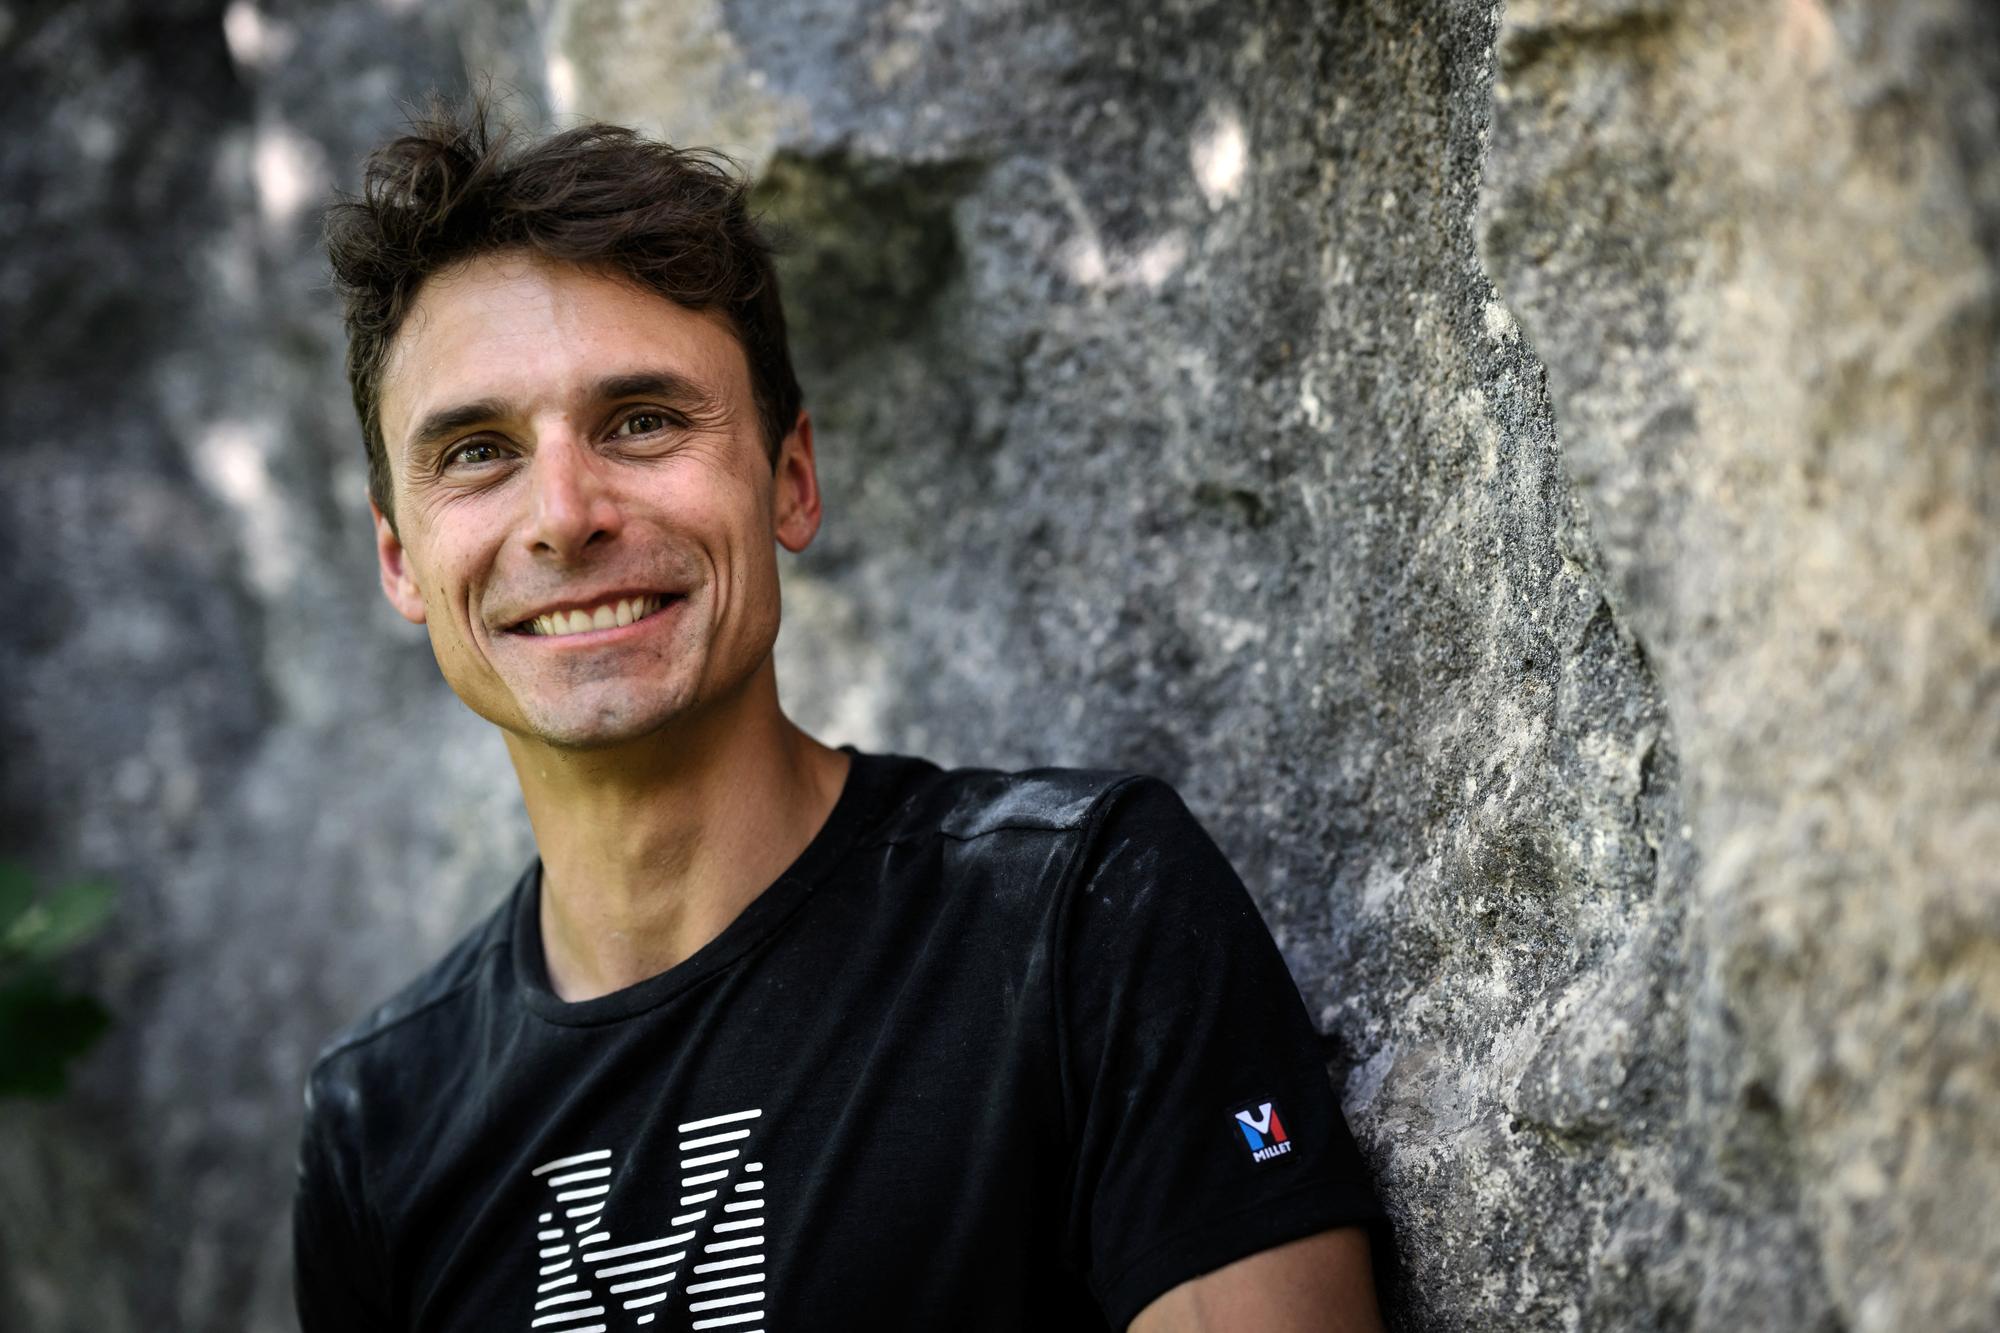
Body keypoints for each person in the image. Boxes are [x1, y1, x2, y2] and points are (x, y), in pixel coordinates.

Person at [293, 98, 1388, 1333]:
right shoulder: (379, 1122)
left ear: (791, 480)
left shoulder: (1079, 918)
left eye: (642, 421)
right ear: (399, 557)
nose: (564, 512)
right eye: (476, 451)